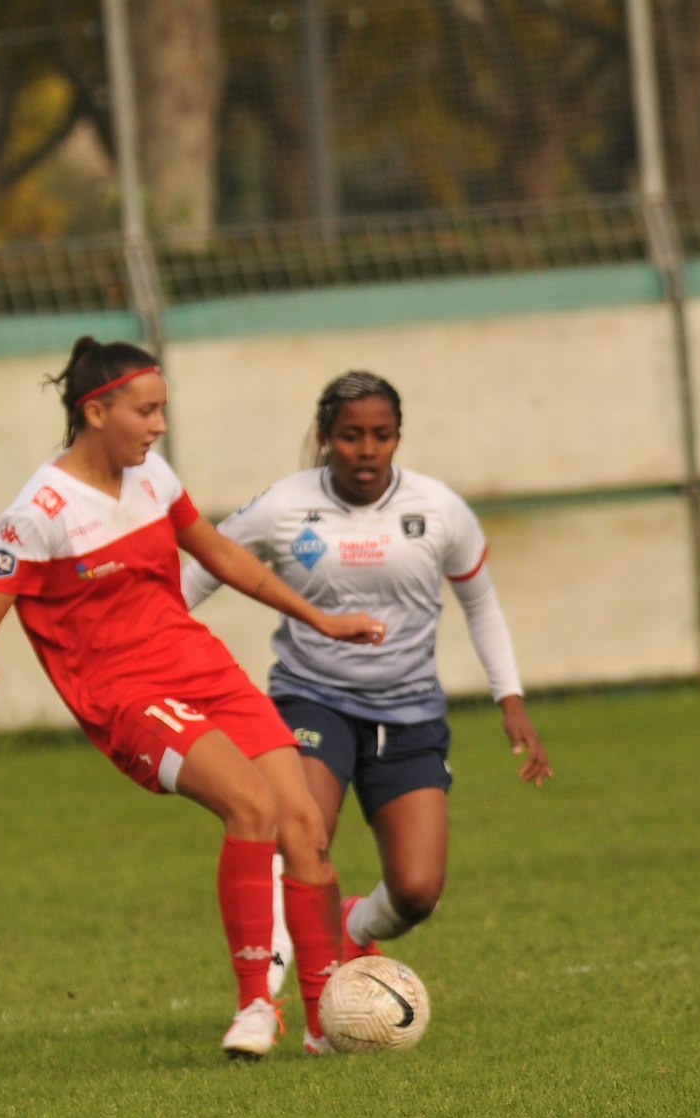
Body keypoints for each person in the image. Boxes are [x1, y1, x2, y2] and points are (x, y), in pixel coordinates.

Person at [0, 338, 384, 1059]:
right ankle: (255, 1007)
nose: (158, 427)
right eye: (146, 411)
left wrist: (323, 618)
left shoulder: (151, 476)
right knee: (252, 805)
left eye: (163, 412)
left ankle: (324, 1021)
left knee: (304, 823)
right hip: (126, 696)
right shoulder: (38, 511)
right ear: (97, 410)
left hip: (200, 668)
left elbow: (223, 557)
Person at [185, 372, 549, 960]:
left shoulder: (438, 509)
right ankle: (283, 992)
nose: (367, 450)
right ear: (326, 437)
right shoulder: (284, 505)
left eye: (381, 435)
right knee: (303, 840)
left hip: (408, 717)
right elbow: (203, 569)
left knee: (418, 892)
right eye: (352, 435)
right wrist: (146, 645)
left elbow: (480, 603)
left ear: (398, 438)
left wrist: (511, 700)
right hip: (312, 700)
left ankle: (352, 931)